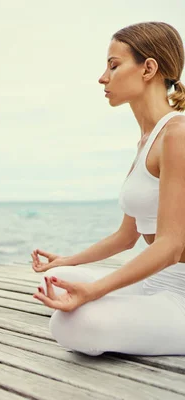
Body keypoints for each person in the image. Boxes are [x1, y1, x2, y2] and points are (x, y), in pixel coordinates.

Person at [30, 21, 185, 356]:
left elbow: (173, 245)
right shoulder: (148, 139)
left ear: (148, 68)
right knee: (54, 279)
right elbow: (126, 236)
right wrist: (65, 260)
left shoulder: (178, 135)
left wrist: (95, 291)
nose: (103, 78)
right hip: (155, 281)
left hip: (181, 293)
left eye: (113, 66)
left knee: (71, 325)